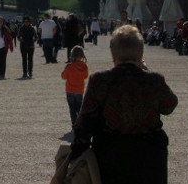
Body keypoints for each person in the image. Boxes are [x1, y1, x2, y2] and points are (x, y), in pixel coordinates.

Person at [71, 25, 178, 184]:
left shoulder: (99, 80)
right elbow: (169, 105)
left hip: (111, 156)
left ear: (113, 55)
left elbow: (83, 123)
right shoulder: (154, 80)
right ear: (141, 54)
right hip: (150, 157)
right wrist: (148, 74)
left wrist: (77, 154)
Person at [61, 46, 88, 128]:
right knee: (79, 108)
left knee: (72, 108)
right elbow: (85, 76)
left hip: (69, 90)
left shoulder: (69, 67)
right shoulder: (84, 66)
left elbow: (63, 76)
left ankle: (74, 123)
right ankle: (80, 122)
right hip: (79, 90)